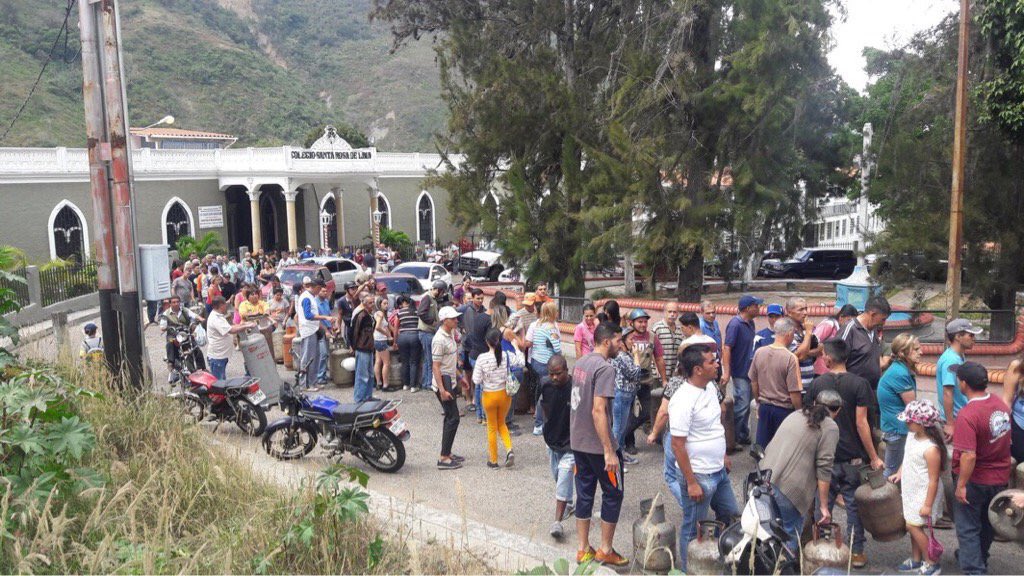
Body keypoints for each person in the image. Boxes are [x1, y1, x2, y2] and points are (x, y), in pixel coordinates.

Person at [805, 339, 882, 569]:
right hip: (853, 459)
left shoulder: (818, 384)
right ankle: (856, 552)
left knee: (823, 505)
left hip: (824, 458)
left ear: (828, 358)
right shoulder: (861, 384)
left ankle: (820, 549)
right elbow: (862, 424)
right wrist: (874, 456)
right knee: (853, 508)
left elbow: (809, 420)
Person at [669, 343, 740, 573]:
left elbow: (715, 427)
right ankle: (690, 569)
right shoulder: (682, 399)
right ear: (698, 369)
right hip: (699, 475)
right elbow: (677, 444)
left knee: (730, 514)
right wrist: (691, 482)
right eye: (711, 361)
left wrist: (724, 455)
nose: (717, 364)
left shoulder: (710, 387)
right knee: (693, 529)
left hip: (718, 471)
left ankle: (718, 562)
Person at [570, 322, 628, 567]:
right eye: (618, 340)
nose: (621, 344)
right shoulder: (605, 368)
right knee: (613, 493)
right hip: (597, 445)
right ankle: (605, 549)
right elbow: (598, 410)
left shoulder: (581, 362)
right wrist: (609, 450)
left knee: (584, 494)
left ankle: (583, 549)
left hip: (578, 442)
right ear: (607, 341)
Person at [761, 388, 841, 552]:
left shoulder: (797, 414)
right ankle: (782, 569)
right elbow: (824, 468)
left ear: (814, 403)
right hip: (790, 490)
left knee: (768, 530)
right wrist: (824, 507)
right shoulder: (830, 427)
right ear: (837, 410)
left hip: (764, 478)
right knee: (789, 536)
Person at [951, 361, 1011, 575]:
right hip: (1000, 477)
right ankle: (979, 557)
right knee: (987, 523)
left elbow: (968, 455)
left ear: (964, 384)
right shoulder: (1000, 405)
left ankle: (974, 569)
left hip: (976, 479)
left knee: (967, 527)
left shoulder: (968, 415)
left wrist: (961, 485)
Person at [888, 400, 946, 576]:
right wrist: (900, 472)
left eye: (910, 420)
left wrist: (928, 504)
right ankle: (916, 558)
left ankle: (932, 562)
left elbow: (934, 479)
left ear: (921, 424)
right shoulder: (913, 436)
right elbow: (907, 458)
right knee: (912, 523)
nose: (906, 423)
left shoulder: (931, 449)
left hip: (924, 492)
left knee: (913, 526)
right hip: (911, 489)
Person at [473, 328, 525, 468]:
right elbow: (521, 363)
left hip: (489, 396)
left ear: (486, 342)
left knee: (491, 427)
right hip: (504, 395)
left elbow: (476, 380)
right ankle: (509, 449)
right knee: (501, 423)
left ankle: (494, 460)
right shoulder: (507, 355)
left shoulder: (482, 358)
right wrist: (516, 347)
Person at [749, 317, 802, 447]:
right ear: (789, 334)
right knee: (782, 450)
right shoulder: (790, 358)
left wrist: (758, 402)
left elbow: (754, 382)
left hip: (765, 407)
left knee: (763, 448)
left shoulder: (759, 352)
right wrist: (800, 413)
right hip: (783, 410)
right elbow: (794, 392)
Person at [539, 354, 575, 539]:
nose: (554, 377)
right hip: (552, 442)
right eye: (551, 373)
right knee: (558, 477)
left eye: (558, 374)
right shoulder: (545, 384)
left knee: (563, 476)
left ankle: (557, 522)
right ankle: (569, 503)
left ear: (566, 371)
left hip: (571, 445)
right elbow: (542, 405)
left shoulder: (576, 387)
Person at [877, 334, 923, 476]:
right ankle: (884, 498)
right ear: (902, 353)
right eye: (915, 349)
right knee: (892, 471)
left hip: (895, 427)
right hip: (898, 430)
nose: (921, 352)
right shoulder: (900, 373)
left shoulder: (900, 369)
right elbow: (913, 407)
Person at [621, 308, 665, 454]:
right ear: (632, 323)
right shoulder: (626, 337)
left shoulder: (652, 337)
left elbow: (659, 358)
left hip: (646, 380)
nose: (643, 324)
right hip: (628, 381)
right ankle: (629, 443)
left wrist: (664, 378)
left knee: (646, 411)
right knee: (628, 412)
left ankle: (622, 433)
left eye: (645, 322)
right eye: (640, 322)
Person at [722, 294, 761, 447]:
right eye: (755, 306)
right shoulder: (735, 324)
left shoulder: (750, 323)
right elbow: (727, 348)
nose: (758, 308)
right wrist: (727, 371)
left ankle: (743, 433)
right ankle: (734, 437)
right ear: (746, 308)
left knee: (747, 405)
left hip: (750, 372)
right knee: (742, 405)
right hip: (740, 372)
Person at [938, 318, 984, 435]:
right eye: (971, 335)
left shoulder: (958, 356)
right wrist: (950, 424)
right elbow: (947, 392)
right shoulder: (951, 360)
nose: (974, 339)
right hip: (955, 419)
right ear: (958, 337)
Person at [432, 306, 464, 470]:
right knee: (453, 418)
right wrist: (442, 390)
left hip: (449, 380)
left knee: (450, 418)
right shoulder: (439, 340)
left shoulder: (450, 334)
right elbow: (436, 367)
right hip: (443, 383)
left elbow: (450, 361)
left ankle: (447, 452)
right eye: (453, 318)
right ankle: (443, 457)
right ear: (445, 320)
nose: (456, 320)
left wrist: (460, 377)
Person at [839, 295, 892, 392]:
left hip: (872, 390)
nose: (884, 323)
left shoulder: (874, 329)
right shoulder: (850, 329)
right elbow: (837, 363)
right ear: (872, 314)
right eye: (883, 319)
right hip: (853, 391)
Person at [611, 328, 645, 464]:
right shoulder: (621, 356)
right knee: (618, 428)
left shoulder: (626, 355)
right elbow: (635, 373)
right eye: (631, 339)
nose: (633, 342)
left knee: (623, 427)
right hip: (621, 395)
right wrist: (637, 355)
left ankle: (621, 454)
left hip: (627, 395)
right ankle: (615, 457)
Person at [531, 301, 563, 435]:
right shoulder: (551, 328)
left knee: (543, 391)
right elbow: (557, 348)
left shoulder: (538, 325)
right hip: (546, 363)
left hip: (536, 361)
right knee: (546, 394)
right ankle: (539, 423)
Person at [296, 280, 333, 392]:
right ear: (316, 287)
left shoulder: (310, 296)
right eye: (320, 288)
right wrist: (324, 318)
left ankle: (313, 382)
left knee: (314, 357)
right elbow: (308, 315)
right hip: (308, 330)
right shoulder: (306, 297)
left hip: (314, 329)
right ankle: (304, 384)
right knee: (307, 358)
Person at [205, 296, 254, 380]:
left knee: (221, 381)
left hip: (222, 354)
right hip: (217, 356)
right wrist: (246, 326)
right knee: (219, 383)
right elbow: (231, 330)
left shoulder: (219, 316)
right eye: (225, 305)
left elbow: (228, 327)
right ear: (221, 306)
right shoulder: (215, 318)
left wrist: (243, 324)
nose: (226, 306)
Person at [160, 295, 205, 380]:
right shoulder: (166, 314)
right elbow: (162, 326)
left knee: (195, 347)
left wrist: (201, 319)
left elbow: (194, 315)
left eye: (177, 302)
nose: (176, 304)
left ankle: (203, 367)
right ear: (170, 304)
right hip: (173, 336)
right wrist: (166, 328)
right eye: (173, 302)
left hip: (185, 334)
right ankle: (171, 363)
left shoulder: (185, 310)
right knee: (169, 343)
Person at [785, 297, 820, 388]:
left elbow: (821, 349)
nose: (805, 313)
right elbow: (800, 357)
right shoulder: (787, 330)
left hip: (809, 384)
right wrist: (808, 333)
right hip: (796, 386)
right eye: (800, 310)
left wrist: (806, 350)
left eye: (806, 309)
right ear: (789, 312)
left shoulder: (805, 328)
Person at [416, 280, 445, 392]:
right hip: (426, 333)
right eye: (442, 292)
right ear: (437, 290)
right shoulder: (427, 298)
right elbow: (421, 313)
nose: (442, 295)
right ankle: (427, 383)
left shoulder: (432, 299)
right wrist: (432, 322)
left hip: (429, 333)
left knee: (429, 359)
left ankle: (427, 382)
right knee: (429, 360)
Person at [813, 304, 859, 374]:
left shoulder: (845, 330)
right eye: (849, 320)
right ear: (841, 318)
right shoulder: (829, 325)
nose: (850, 324)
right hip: (822, 370)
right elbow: (814, 339)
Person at [351, 294, 377, 401]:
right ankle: (359, 399)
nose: (372, 305)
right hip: (362, 348)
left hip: (369, 348)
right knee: (362, 376)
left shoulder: (370, 315)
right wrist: (353, 346)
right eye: (370, 303)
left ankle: (368, 396)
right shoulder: (361, 315)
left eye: (373, 302)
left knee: (370, 375)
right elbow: (354, 331)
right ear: (365, 304)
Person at [395, 295, 422, 391]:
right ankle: (413, 386)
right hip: (415, 336)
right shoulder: (416, 311)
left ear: (403, 303)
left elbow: (396, 327)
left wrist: (395, 341)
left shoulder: (400, 312)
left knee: (405, 361)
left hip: (402, 337)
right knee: (414, 362)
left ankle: (405, 384)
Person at [652, 302, 684, 378]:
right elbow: (651, 349)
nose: (672, 314)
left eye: (675, 312)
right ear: (664, 312)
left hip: (673, 374)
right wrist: (657, 367)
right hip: (658, 373)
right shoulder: (657, 328)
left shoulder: (680, 330)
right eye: (670, 312)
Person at [373, 296, 395, 392]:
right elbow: (377, 327)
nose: (386, 306)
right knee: (386, 363)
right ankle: (385, 385)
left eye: (387, 303)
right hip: (381, 340)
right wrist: (388, 335)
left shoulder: (380, 314)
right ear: (379, 304)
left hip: (377, 340)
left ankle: (378, 383)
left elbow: (390, 327)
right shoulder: (380, 314)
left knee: (378, 361)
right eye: (384, 304)